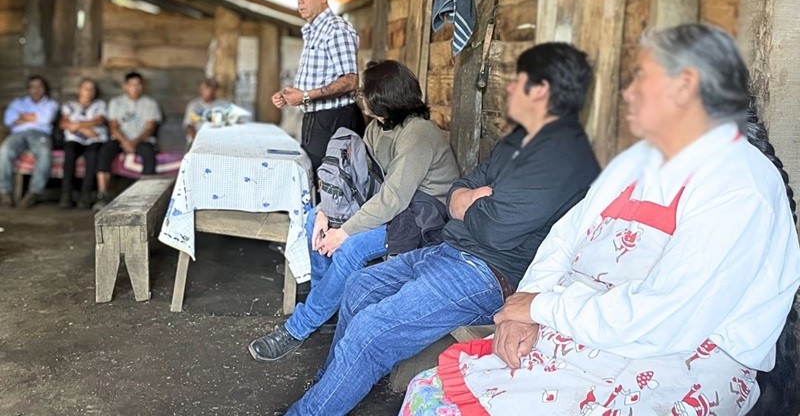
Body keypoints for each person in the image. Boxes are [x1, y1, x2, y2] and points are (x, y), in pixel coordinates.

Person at [400, 24, 800, 416]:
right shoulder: (636, 161)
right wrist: (524, 311)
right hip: (586, 335)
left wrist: (540, 308)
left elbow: (665, 317)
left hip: (678, 361)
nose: (628, 93)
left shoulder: (739, 184)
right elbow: (562, 240)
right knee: (429, 392)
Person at [284, 42, 601, 415]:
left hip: (487, 273)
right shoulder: (517, 143)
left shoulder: (563, 158)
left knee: (371, 330)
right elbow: (458, 191)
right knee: (360, 285)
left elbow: (494, 228)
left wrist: (471, 201)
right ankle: (334, 381)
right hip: (450, 251)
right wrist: (470, 198)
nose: (513, 88)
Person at [249, 60, 461, 362]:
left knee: (351, 247)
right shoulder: (377, 128)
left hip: (423, 219)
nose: (360, 99)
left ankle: (298, 327)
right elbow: (357, 181)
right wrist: (327, 210)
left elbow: (392, 199)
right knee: (313, 221)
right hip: (396, 208)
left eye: (365, 94)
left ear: (386, 100)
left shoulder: (418, 134)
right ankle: (325, 310)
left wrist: (344, 232)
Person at [272, 0, 364, 175]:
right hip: (315, 119)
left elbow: (350, 81)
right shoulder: (312, 31)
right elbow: (321, 78)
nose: (300, 0)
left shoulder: (336, 29)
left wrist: (304, 96)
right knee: (314, 176)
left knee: (332, 182)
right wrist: (290, 94)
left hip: (334, 120)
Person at [93, 72, 162, 210]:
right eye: (131, 85)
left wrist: (134, 142)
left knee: (149, 154)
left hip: (142, 139)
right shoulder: (116, 102)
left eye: (138, 85)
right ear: (125, 86)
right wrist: (125, 141)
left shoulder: (150, 103)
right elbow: (113, 127)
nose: (135, 88)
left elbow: (150, 128)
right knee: (105, 151)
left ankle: (146, 196)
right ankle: (102, 194)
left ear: (142, 87)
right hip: (120, 139)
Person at [0, 75, 59, 209]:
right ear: (28, 89)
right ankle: (5, 192)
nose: (36, 90)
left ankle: (34, 192)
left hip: (40, 134)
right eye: (33, 87)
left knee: (44, 152)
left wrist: (21, 116)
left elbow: (45, 119)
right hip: (18, 134)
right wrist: (34, 117)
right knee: (4, 150)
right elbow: (8, 120)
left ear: (44, 88)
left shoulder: (51, 104)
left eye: (39, 86)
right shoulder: (18, 102)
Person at [58, 79, 108, 210]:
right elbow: (63, 123)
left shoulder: (99, 104)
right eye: (85, 88)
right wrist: (84, 128)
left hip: (94, 140)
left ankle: (85, 196)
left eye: (92, 88)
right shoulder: (69, 105)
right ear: (78, 90)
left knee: (92, 155)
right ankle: (66, 195)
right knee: (69, 153)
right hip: (75, 139)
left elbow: (100, 120)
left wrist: (78, 125)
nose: (88, 91)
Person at [183, 77, 224, 145]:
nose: (203, 91)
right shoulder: (194, 105)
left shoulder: (223, 105)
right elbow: (189, 126)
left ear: (214, 90)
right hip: (196, 142)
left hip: (217, 142)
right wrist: (197, 141)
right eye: (202, 89)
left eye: (207, 89)